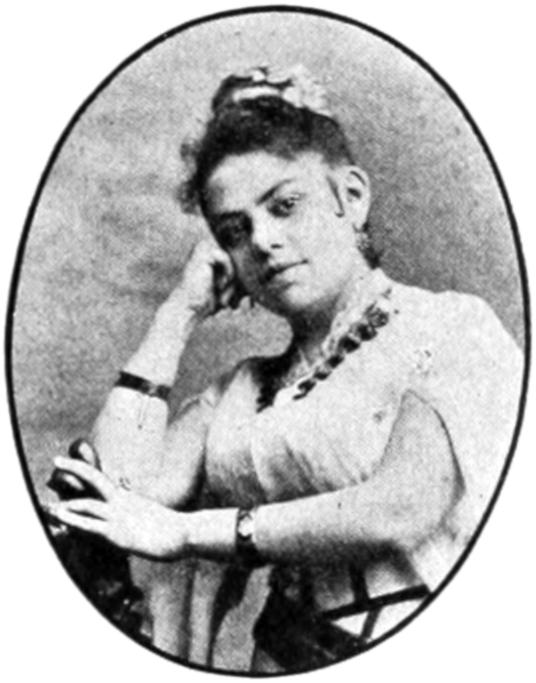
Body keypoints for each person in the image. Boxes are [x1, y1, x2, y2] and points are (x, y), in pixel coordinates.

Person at [46, 65, 523, 672]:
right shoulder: (243, 390)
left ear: (351, 197)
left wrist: (189, 532)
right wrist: (179, 312)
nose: (263, 241)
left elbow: (399, 510)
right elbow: (113, 496)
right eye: (234, 231)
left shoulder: (449, 328)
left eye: (285, 205)